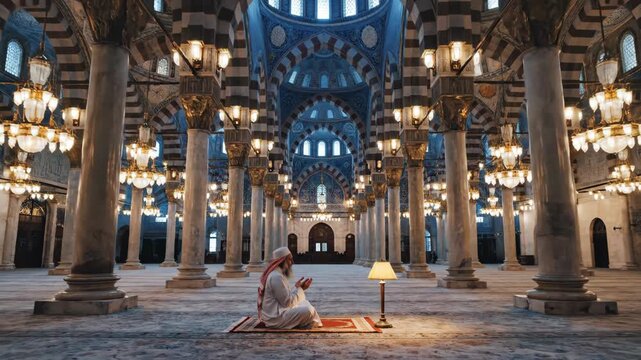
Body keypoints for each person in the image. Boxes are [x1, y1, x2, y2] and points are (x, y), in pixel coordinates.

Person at [257, 247, 322, 329]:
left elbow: (285, 296)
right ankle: (304, 322)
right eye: (290, 259)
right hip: (275, 318)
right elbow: (287, 303)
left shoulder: (278, 274)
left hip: (278, 311)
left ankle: (305, 321)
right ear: (282, 261)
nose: (292, 262)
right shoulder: (276, 277)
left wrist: (297, 287)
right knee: (308, 310)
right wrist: (301, 289)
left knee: (305, 303)